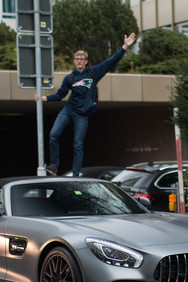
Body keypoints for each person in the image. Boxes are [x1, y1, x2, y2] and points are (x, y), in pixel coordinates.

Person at [36, 33, 136, 176]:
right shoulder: (69, 78)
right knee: (53, 134)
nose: (79, 61)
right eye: (77, 59)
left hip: (82, 114)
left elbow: (110, 61)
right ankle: (54, 166)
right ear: (74, 61)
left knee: (78, 145)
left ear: (86, 61)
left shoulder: (94, 72)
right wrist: (44, 98)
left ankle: (75, 175)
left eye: (82, 59)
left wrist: (125, 47)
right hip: (69, 110)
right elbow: (60, 95)